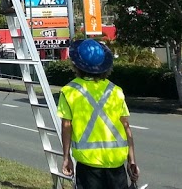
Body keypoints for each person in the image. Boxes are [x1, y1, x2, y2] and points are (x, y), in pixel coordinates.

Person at [58, 39, 139, 189]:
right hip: (116, 163)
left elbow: (66, 127)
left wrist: (66, 157)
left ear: (76, 65)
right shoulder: (116, 91)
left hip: (88, 165)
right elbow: (126, 127)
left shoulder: (69, 91)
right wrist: (132, 160)